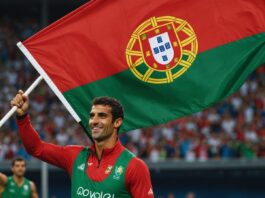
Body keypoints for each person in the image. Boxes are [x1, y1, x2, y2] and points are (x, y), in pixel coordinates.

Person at [11, 90, 154, 198]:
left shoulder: (134, 166)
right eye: (92, 116)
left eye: (102, 116)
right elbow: (36, 148)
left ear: (117, 122)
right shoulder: (75, 156)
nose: (94, 121)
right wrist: (22, 117)